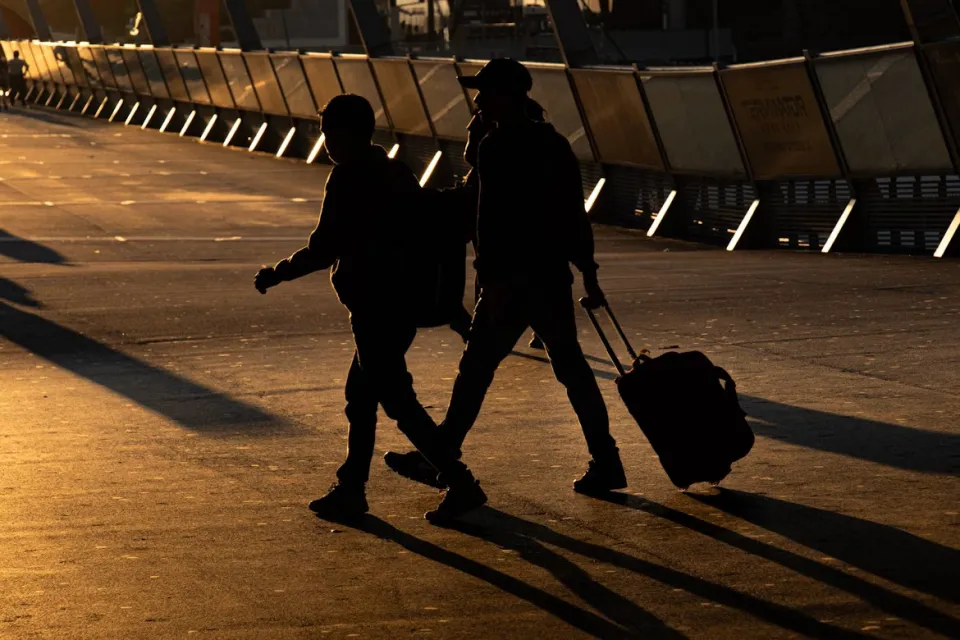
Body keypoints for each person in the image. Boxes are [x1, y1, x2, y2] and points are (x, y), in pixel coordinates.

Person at [387, 59, 626, 495]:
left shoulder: (496, 148)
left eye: (483, 94)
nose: (476, 101)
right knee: (571, 371)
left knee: (475, 371)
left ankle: (439, 458)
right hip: (550, 277)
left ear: (505, 97)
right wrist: (587, 273)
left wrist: (487, 279)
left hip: (509, 282)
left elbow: (483, 218)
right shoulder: (553, 145)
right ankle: (606, 460)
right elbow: (573, 214)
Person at [253, 94, 487, 524]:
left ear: (349, 134)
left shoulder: (348, 179)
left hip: (374, 306)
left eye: (329, 133)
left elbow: (325, 247)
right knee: (361, 398)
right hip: (402, 305)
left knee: (396, 399)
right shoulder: (396, 171)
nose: (325, 142)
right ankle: (351, 486)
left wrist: (278, 273)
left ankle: (460, 481)